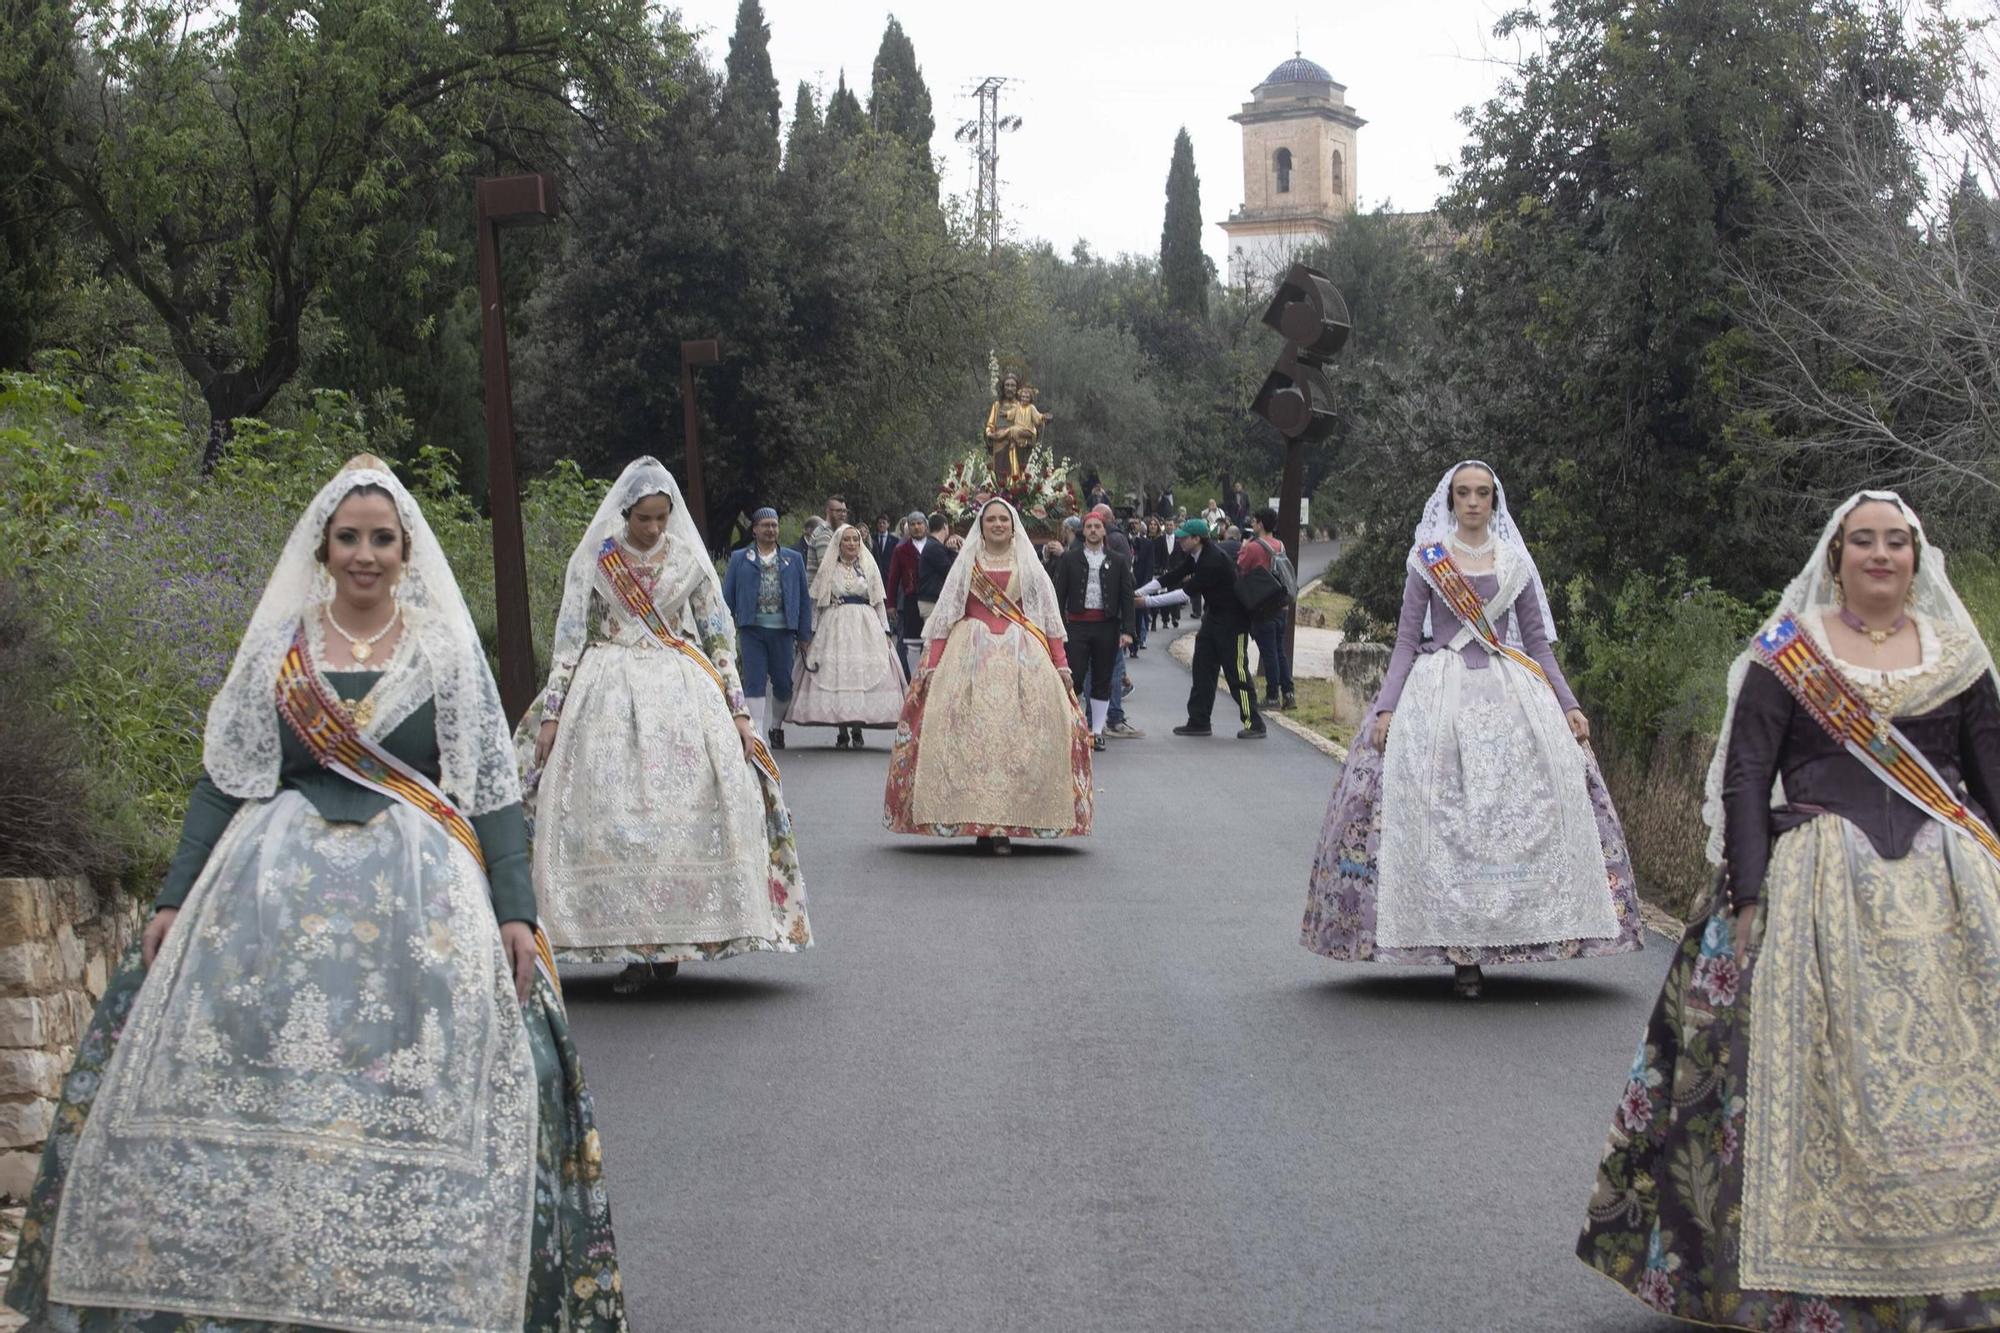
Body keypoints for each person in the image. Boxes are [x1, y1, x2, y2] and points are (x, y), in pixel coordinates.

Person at [3, 456, 627, 1332]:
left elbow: (489, 787)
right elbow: (224, 780)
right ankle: (269, 1262)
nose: (364, 555)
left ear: (406, 548)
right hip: (269, 887)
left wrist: (514, 908)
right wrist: (176, 896)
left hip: (423, 889)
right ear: (324, 548)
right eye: (349, 539)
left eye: (380, 538)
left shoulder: (445, 652)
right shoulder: (281, 646)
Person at [1578, 491, 2000, 1330]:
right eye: (1864, 542)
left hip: (1951, 899)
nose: (1881, 555)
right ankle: (1792, 1284)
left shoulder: (1958, 660)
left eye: (1897, 543)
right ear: (1836, 554)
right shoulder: (1788, 655)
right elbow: (1747, 774)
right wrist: (1746, 893)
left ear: (1917, 558)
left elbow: (1988, 779)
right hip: (1811, 892)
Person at [1299, 460, 1639, 998]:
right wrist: (1386, 710)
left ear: (1494, 502)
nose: (1474, 502)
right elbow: (1407, 641)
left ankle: (1518, 932)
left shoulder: (1514, 562)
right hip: (1440, 694)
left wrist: (1568, 704)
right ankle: (1457, 950)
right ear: (1451, 501)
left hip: (1511, 694)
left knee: (1527, 807)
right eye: (1464, 493)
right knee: (1439, 811)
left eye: (1482, 493)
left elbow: (1536, 642)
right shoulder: (1428, 562)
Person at [518, 457, 811, 992]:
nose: (653, 528)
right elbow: (568, 645)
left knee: (684, 813)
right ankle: (630, 942)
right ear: (624, 514)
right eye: (643, 519)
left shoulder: (688, 562)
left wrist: (739, 712)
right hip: (605, 689)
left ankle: (674, 939)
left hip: (683, 689)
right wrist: (552, 714)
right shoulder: (596, 562)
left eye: (661, 518)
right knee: (611, 811)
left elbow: (719, 639)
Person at [885, 497, 1092, 853]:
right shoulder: (966, 564)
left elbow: (1048, 620)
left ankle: (1011, 820)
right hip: (969, 654)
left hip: (1023, 655)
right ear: (981, 526)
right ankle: (976, 818)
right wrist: (932, 665)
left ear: (1013, 526)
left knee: (1027, 735)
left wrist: (1061, 664)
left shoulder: (1029, 564)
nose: (997, 525)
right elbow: (946, 617)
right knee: (965, 735)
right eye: (991, 519)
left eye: (1003, 520)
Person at [789, 523, 906, 748]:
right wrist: (811, 633)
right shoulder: (829, 569)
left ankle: (857, 728)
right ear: (838, 543)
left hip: (865, 625)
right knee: (837, 674)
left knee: (862, 673)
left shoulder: (868, 567)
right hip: (835, 625)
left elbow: (878, 601)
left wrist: (885, 631)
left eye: (855, 539)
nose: (852, 543)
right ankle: (842, 730)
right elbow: (818, 604)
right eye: (847, 539)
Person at [1160, 518, 1263, 740]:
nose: (1179, 540)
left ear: (1197, 539)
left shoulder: (1213, 560)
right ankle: (1199, 721)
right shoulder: (1196, 556)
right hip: (1213, 617)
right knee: (1202, 668)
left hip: (1234, 622)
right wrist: (1139, 591)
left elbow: (1186, 592)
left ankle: (1254, 722)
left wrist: (1146, 602)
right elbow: (1173, 576)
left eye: (1184, 537)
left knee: (1237, 673)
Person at [723, 507, 812, 750]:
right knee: (754, 680)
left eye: (774, 525)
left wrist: (805, 634)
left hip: (783, 631)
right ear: (755, 530)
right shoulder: (740, 558)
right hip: (752, 630)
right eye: (765, 526)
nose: (771, 530)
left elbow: (804, 599)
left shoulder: (792, 559)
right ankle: (758, 734)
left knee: (784, 684)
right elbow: (727, 597)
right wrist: (723, 630)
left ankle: (776, 726)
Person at [1052, 509, 1137, 751]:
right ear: (1083, 531)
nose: (1092, 531)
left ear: (1104, 531)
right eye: (1088, 527)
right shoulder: (1070, 558)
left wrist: (1128, 630)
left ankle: (1096, 731)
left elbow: (1126, 597)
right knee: (1075, 676)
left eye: (1097, 527)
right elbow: (1059, 595)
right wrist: (1058, 626)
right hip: (1077, 625)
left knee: (1103, 678)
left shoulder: (1118, 560)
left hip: (1106, 626)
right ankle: (1071, 726)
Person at [1243, 507, 1298, 711]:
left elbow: (1242, 566)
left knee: (1269, 653)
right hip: (1281, 605)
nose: (1252, 524)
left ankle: (1272, 696)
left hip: (1263, 606)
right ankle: (1288, 693)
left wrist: (1244, 546)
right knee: (1279, 651)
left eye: (1254, 521)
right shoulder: (1280, 545)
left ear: (1260, 523)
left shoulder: (1254, 547)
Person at [803, 494, 848, 583]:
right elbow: (827, 569)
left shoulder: (834, 533)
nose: (842, 514)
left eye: (844, 511)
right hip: (821, 593)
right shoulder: (824, 534)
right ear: (828, 511)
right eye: (838, 511)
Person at [870, 512, 899, 579]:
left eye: (884, 523)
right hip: (874, 574)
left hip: (889, 574)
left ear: (888, 524)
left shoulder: (895, 540)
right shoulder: (872, 539)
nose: (881, 525)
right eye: (879, 523)